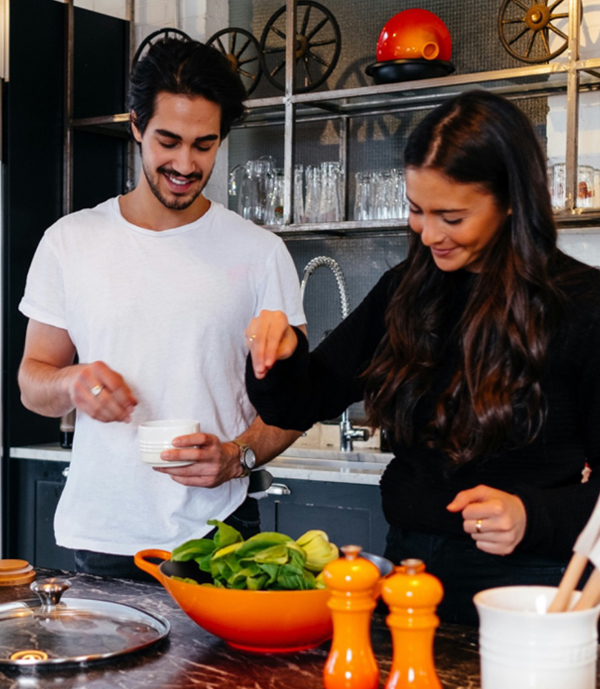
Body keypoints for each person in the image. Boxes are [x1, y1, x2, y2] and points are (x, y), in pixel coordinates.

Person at [244, 90, 600, 625]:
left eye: (451, 217)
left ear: (510, 202)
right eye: (416, 210)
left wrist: (533, 514)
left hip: (528, 589)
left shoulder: (582, 308)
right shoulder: (405, 291)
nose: (429, 234)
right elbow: (302, 402)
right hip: (405, 577)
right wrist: (284, 356)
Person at [17, 37, 305, 580]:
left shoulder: (259, 251)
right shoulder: (70, 241)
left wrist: (238, 455)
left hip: (218, 536)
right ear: (135, 126)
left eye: (204, 145)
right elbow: (33, 381)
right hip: (101, 535)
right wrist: (72, 383)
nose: (184, 163)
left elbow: (298, 399)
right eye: (168, 141)